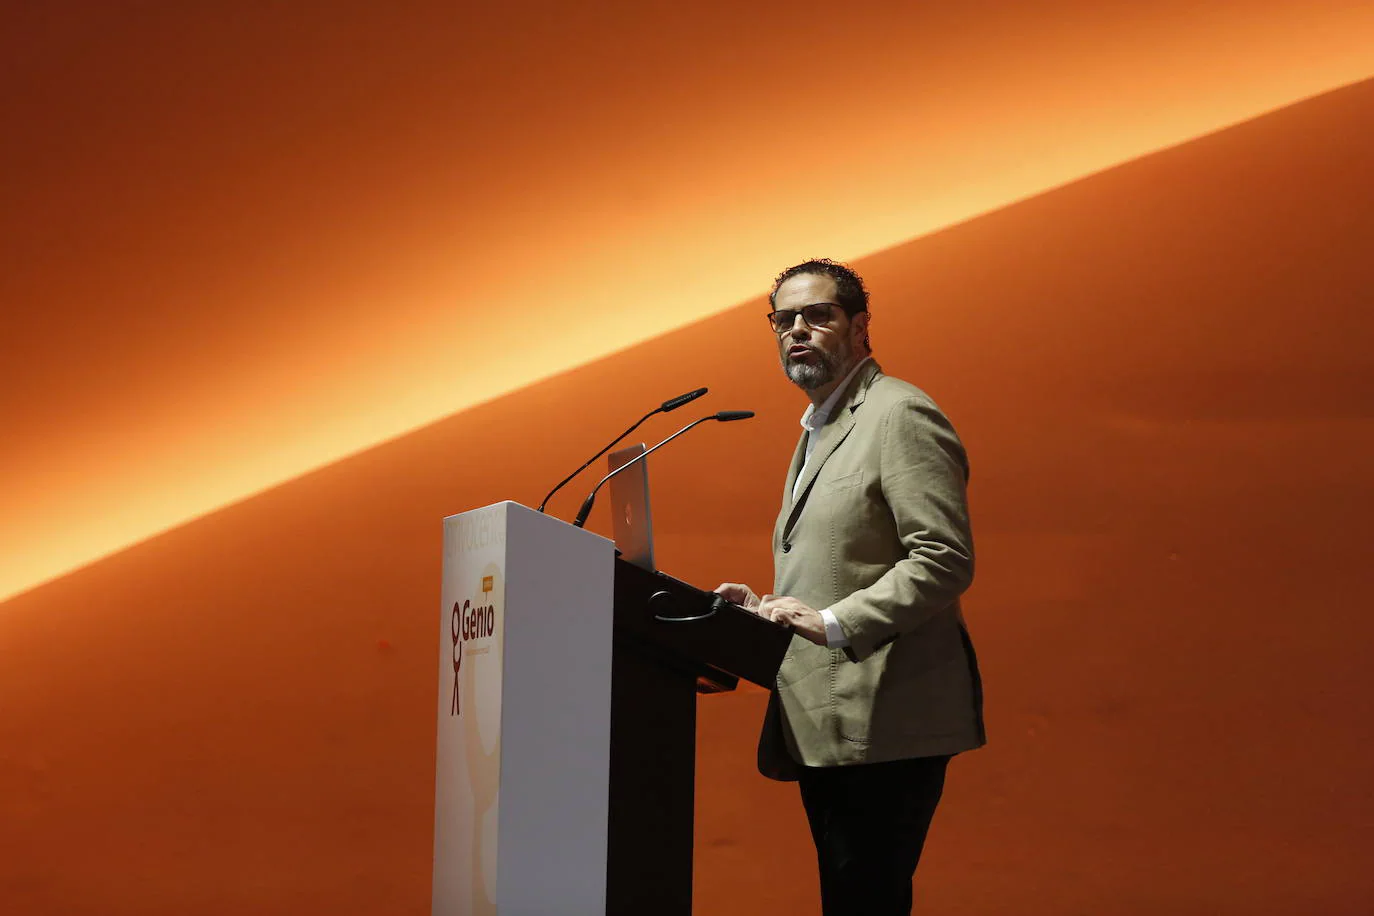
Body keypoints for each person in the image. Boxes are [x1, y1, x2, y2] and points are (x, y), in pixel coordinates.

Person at [716, 259, 985, 916]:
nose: (797, 331)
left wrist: (833, 623)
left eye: (818, 315)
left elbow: (944, 559)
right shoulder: (821, 428)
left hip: (884, 718)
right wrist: (762, 612)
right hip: (830, 722)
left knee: (865, 901)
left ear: (860, 325)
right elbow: (837, 566)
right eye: (784, 320)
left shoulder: (897, 414)